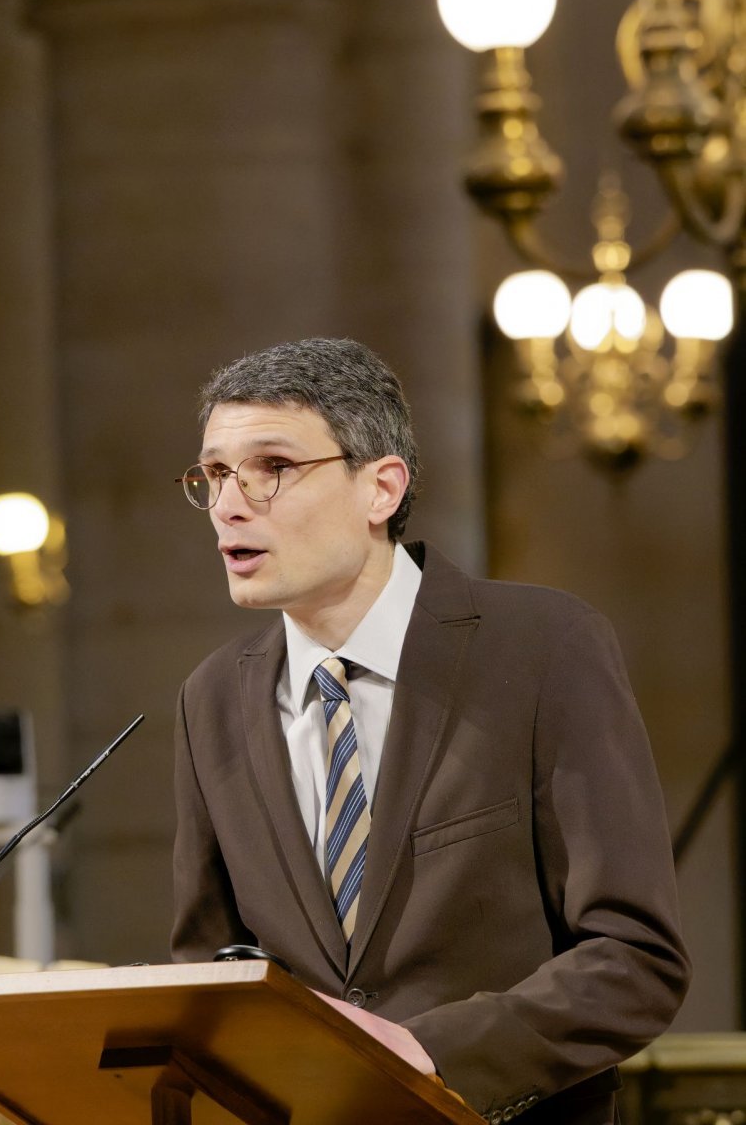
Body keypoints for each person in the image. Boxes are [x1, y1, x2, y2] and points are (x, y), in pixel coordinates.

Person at [170, 336, 690, 1125]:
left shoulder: (542, 646)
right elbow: (211, 970)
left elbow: (634, 956)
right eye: (212, 476)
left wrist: (426, 1053)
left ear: (380, 488)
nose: (228, 504)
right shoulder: (210, 697)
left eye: (270, 468)